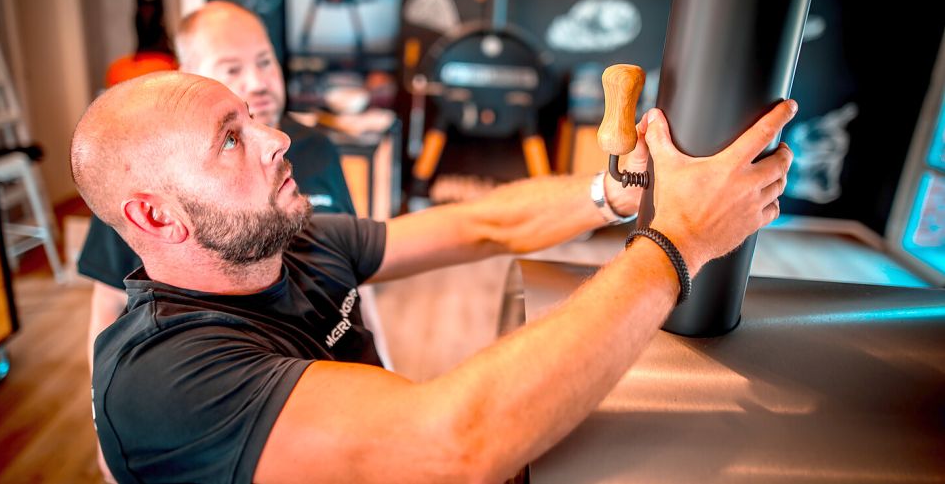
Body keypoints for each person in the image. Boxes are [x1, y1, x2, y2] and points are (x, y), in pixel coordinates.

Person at [72, 71, 794, 484]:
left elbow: (479, 225)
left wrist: (613, 195)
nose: (276, 136)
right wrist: (679, 241)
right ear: (158, 218)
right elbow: (453, 445)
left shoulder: (295, 243)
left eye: (252, 118)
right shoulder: (162, 377)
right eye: (231, 137)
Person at [80, 1, 355, 371]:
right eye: (232, 68)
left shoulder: (318, 149)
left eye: (265, 61)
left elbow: (354, 276)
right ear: (188, 76)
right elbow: (108, 305)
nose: (258, 82)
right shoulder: (147, 177)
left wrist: (382, 358)